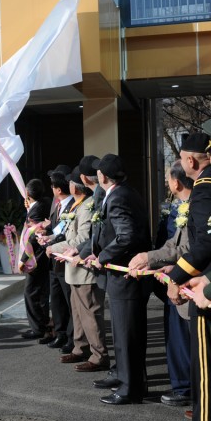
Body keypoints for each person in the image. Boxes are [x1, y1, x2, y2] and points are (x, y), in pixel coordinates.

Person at [84, 154, 152, 405]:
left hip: (125, 275)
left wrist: (103, 256)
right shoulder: (124, 192)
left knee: (126, 335)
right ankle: (130, 380)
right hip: (125, 276)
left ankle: (129, 389)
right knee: (127, 334)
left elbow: (126, 236)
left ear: (103, 176)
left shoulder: (118, 197)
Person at [128, 160, 192, 412]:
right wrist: (154, 259)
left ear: (176, 182)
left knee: (187, 342)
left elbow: (187, 249)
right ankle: (184, 388)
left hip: (188, 285)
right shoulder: (178, 206)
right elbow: (171, 244)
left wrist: (150, 258)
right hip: (174, 279)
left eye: (167, 179)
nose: (166, 183)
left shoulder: (196, 207)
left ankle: (190, 392)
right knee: (176, 339)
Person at [164, 132, 211, 421]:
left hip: (205, 291)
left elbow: (206, 244)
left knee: (205, 381)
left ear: (190, 161)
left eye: (181, 160)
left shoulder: (205, 189)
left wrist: (176, 277)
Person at [48, 167, 109, 372]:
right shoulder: (77, 205)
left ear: (77, 185)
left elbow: (83, 238)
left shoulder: (88, 206)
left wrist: (54, 247)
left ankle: (99, 355)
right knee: (77, 312)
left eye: (71, 182)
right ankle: (80, 347)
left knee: (90, 314)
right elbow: (66, 232)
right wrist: (52, 240)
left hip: (85, 269)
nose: (69, 186)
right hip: (73, 268)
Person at [37, 167, 74, 352]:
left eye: (52, 185)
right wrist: (46, 235)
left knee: (69, 301)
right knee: (56, 300)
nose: (51, 189)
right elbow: (56, 229)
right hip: (53, 260)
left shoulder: (73, 204)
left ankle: (71, 337)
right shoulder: (56, 204)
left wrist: (51, 239)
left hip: (65, 259)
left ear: (58, 189)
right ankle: (60, 334)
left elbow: (67, 232)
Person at [18, 179, 51, 340]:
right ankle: (44, 323)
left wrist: (23, 259)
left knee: (31, 292)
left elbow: (32, 237)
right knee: (41, 292)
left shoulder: (36, 211)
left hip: (36, 258)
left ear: (28, 194)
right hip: (44, 257)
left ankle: (38, 328)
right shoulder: (44, 203)